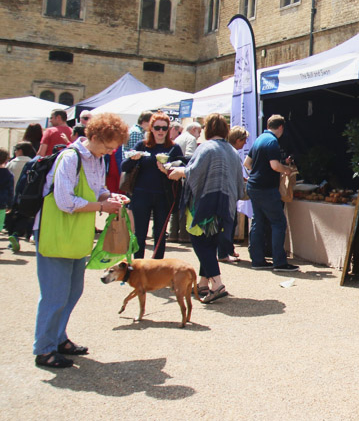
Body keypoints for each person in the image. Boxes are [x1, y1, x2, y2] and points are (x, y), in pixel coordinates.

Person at [33, 112, 128, 369]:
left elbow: (97, 190)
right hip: (56, 232)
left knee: (73, 291)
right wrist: (101, 205)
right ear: (94, 137)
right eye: (108, 147)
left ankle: (58, 338)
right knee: (55, 294)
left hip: (74, 234)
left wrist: (112, 197)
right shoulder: (69, 158)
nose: (110, 152)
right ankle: (44, 349)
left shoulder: (97, 159)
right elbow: (65, 202)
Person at [167, 113, 244, 303]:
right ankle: (203, 283)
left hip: (207, 203)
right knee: (210, 243)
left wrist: (179, 171)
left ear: (207, 129)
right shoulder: (233, 151)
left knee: (199, 241)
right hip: (226, 205)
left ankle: (216, 284)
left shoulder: (206, 148)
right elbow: (240, 185)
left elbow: (194, 172)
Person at [120, 112, 184, 259]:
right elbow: (124, 166)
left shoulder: (174, 148)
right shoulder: (142, 145)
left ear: (168, 129)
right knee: (140, 233)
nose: (160, 131)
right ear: (151, 129)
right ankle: (138, 265)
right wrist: (134, 159)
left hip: (164, 194)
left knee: (160, 234)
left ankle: (157, 267)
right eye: (157, 128)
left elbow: (182, 167)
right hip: (141, 194)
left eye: (164, 128)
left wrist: (168, 169)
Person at [245, 114, 298, 272]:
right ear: (280, 127)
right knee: (278, 222)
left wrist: (259, 170)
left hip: (253, 186)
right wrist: (287, 169)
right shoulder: (273, 142)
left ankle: (257, 260)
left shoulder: (259, 139)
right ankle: (280, 262)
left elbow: (247, 164)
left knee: (258, 222)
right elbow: (275, 166)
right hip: (266, 188)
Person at [219, 125, 250, 262]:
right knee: (228, 223)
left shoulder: (226, 150)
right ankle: (224, 253)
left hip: (225, 192)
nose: (245, 144)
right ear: (238, 140)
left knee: (229, 222)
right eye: (244, 140)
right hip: (228, 193)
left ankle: (227, 250)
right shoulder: (232, 153)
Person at [4, 141, 36, 251]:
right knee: (24, 217)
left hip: (13, 193)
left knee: (11, 217)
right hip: (27, 194)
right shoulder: (33, 162)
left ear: (20, 151)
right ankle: (18, 234)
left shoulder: (12, 163)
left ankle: (12, 237)